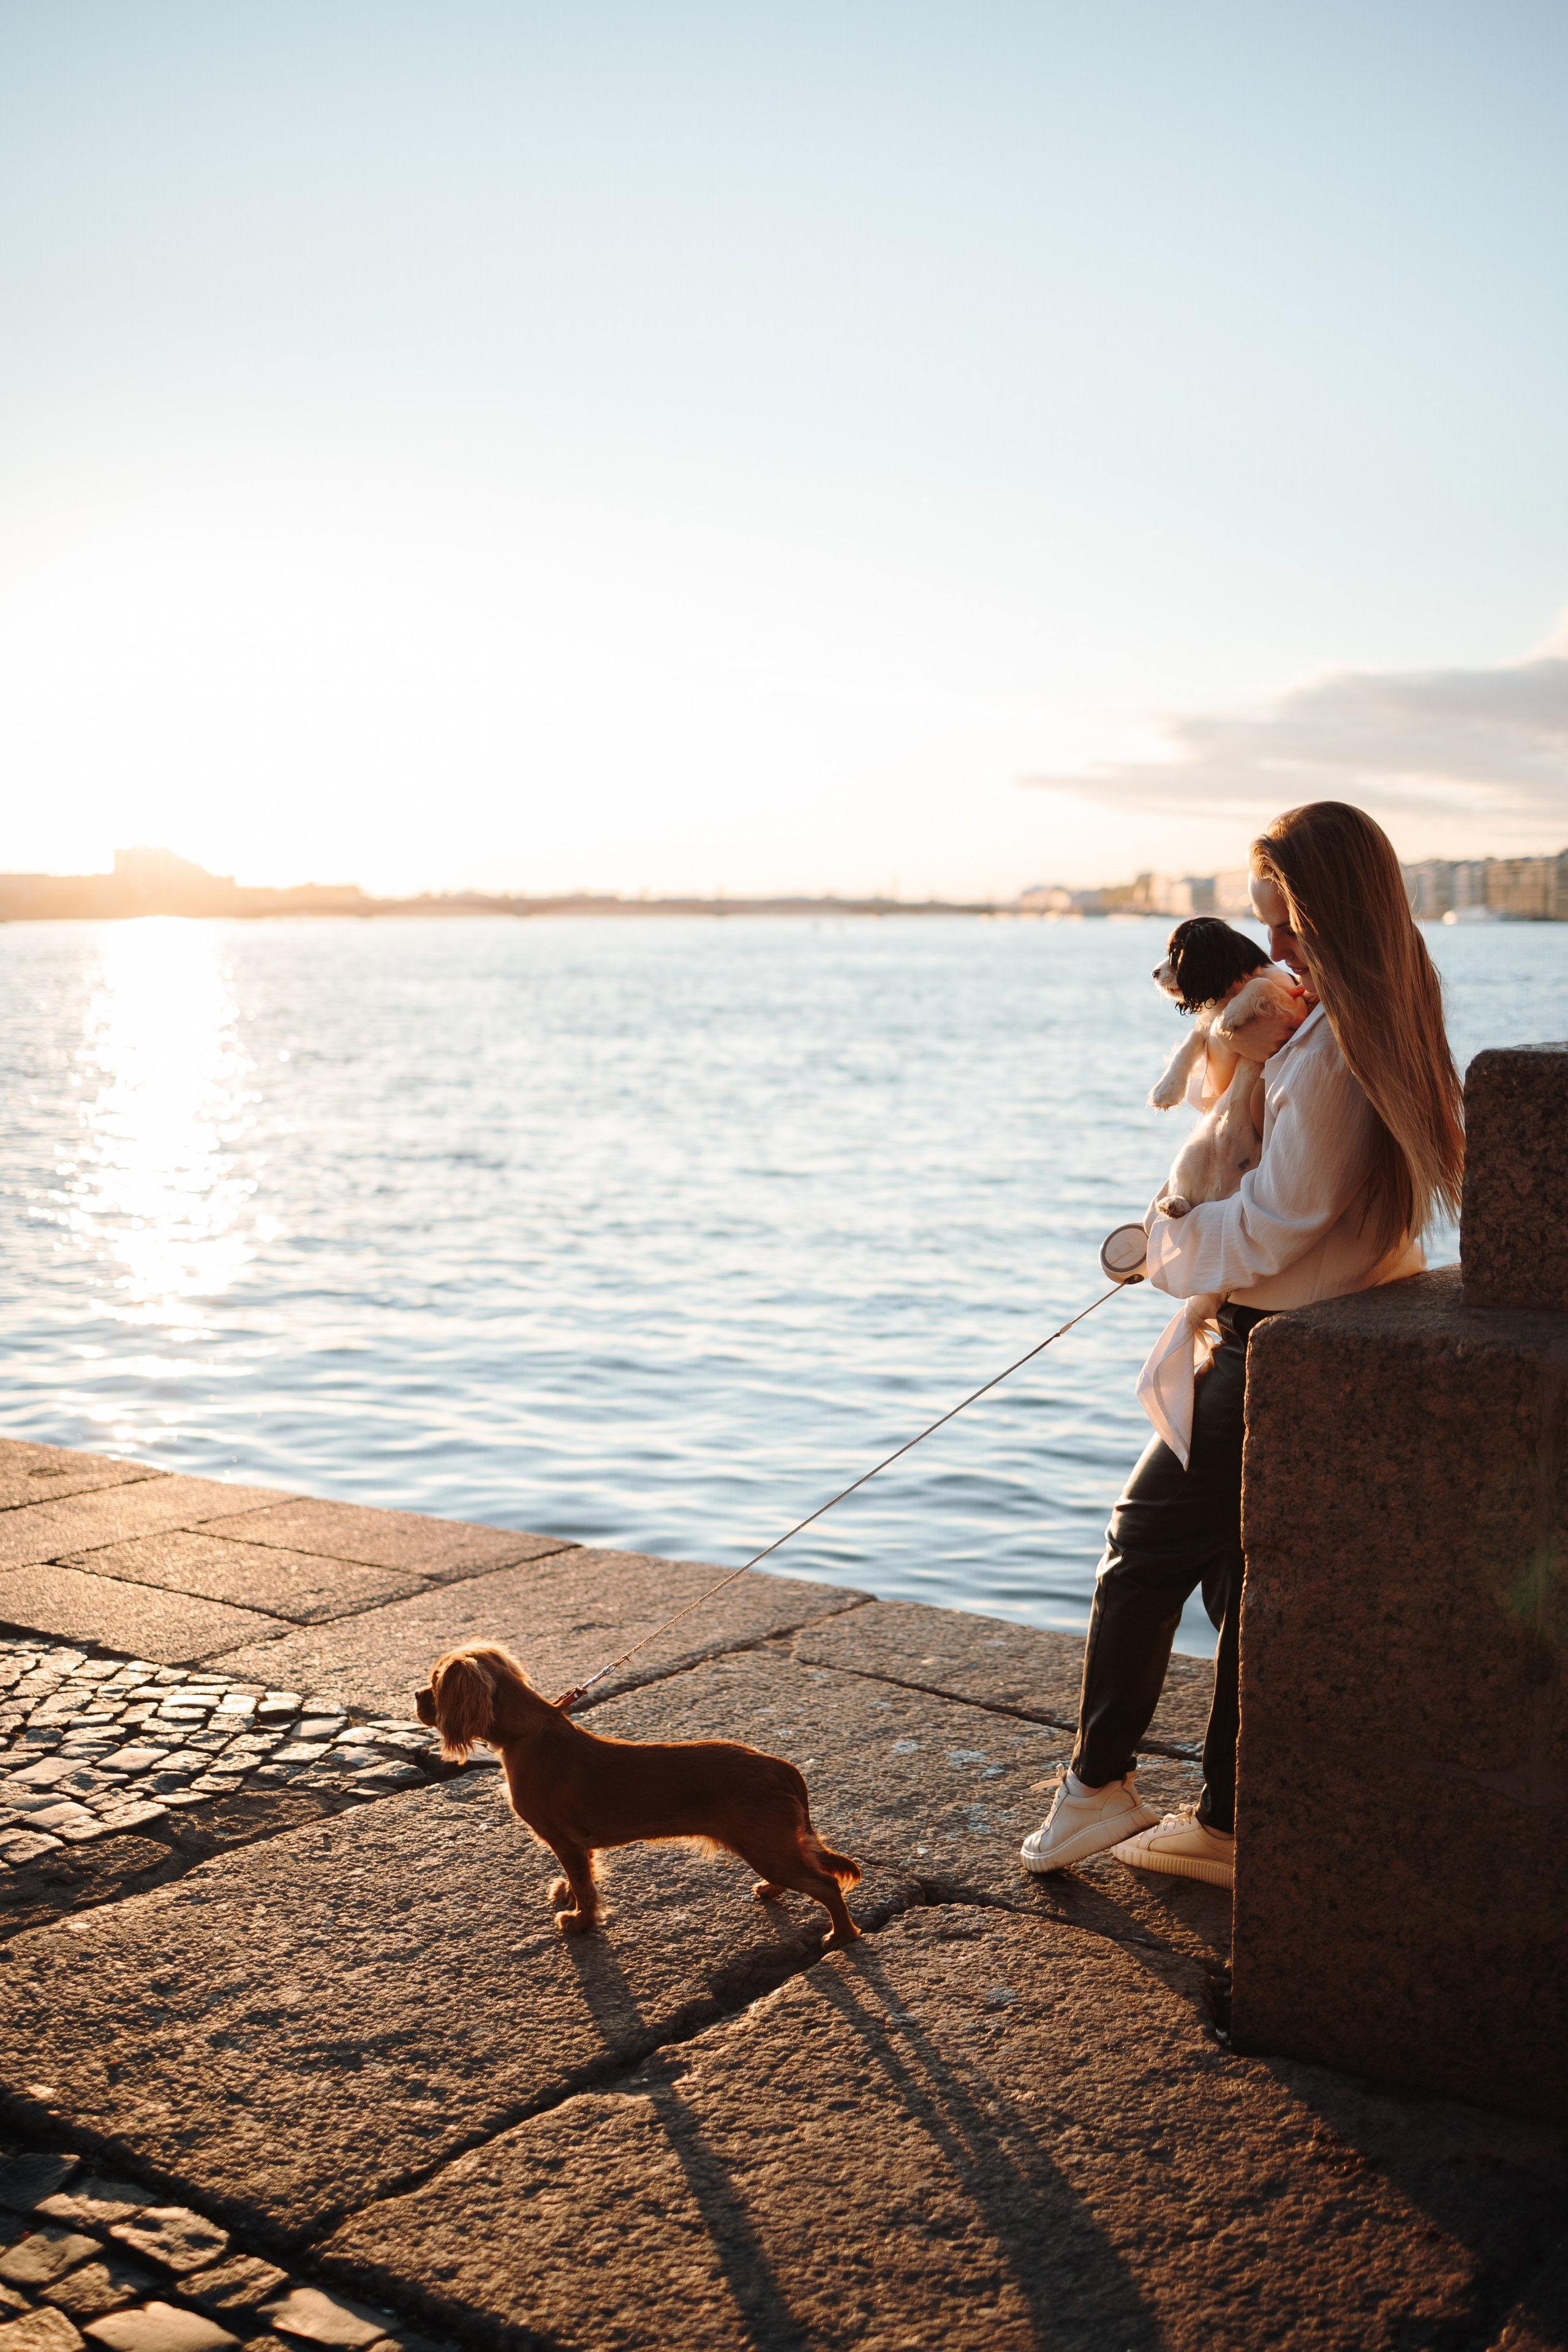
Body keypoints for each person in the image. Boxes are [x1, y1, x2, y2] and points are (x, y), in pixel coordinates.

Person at [1020, 801, 1465, 1888]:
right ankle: (1226, 1818)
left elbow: (1274, 1222)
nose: (1273, 951)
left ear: (1326, 918)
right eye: (1269, 927)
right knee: (1236, 1584)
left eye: (1287, 926)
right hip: (1309, 1334)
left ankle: (1095, 1790)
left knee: (1138, 1554)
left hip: (1272, 1349)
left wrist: (1159, 1247)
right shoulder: (1362, 1022)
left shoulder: (1332, 1051)